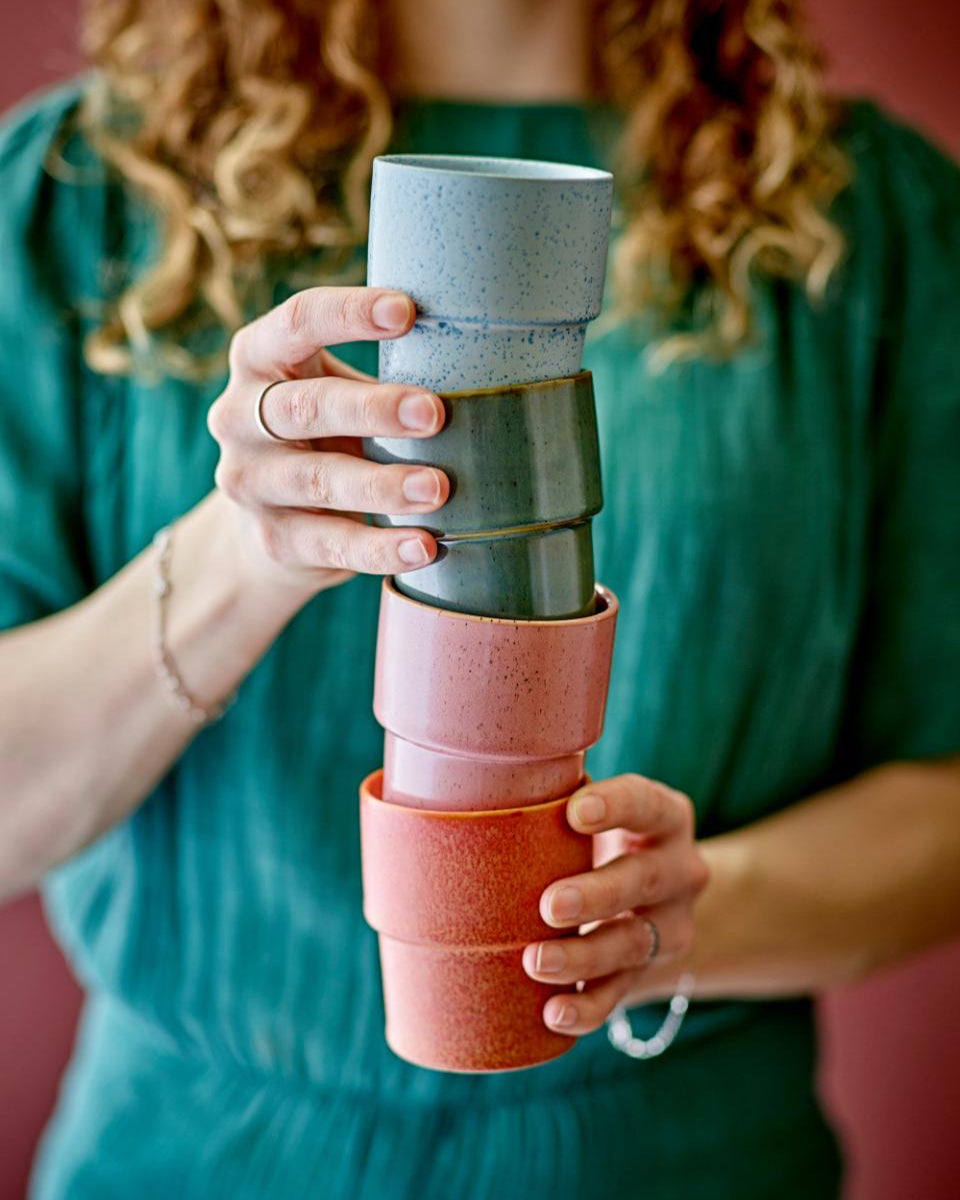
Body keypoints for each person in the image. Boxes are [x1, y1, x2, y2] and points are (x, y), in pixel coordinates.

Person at [1, 0, 958, 1196]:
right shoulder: (73, 198)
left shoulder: (873, 224)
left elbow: (945, 788)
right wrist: (242, 555)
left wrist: (684, 917)